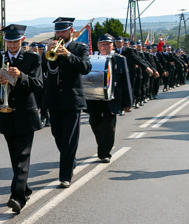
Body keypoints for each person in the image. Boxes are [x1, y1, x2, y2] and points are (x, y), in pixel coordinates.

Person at [0, 26, 43, 214]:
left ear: (22, 40)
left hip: (25, 114)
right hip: (6, 115)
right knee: (15, 157)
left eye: (16, 41)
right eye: (9, 41)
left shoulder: (32, 58)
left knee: (22, 156)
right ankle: (25, 188)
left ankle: (17, 197)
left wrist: (20, 76)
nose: (12, 45)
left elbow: (38, 85)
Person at [43, 17, 92, 188]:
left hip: (72, 100)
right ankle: (70, 160)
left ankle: (65, 176)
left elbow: (86, 67)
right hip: (54, 99)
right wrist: (44, 55)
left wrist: (69, 55)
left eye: (63, 31)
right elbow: (43, 70)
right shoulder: (51, 49)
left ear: (71, 31)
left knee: (70, 138)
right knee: (58, 135)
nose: (60, 35)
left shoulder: (80, 48)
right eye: (58, 31)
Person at [85, 34, 132, 163]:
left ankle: (104, 153)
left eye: (107, 44)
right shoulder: (91, 59)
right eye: (102, 44)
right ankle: (102, 143)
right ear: (98, 46)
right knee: (94, 123)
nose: (105, 47)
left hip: (112, 99)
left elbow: (125, 81)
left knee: (109, 126)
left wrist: (128, 102)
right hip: (94, 98)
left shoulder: (120, 59)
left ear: (112, 45)